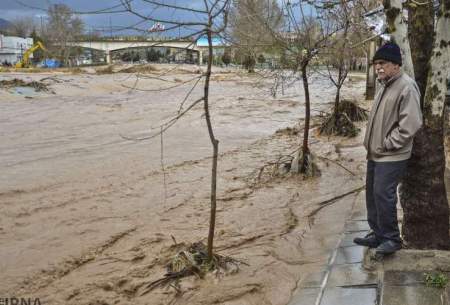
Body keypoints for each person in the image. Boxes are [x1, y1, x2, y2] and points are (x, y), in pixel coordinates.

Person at [353, 42, 423, 254]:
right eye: (376, 64)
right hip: (376, 153)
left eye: (382, 63)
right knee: (373, 195)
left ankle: (392, 239)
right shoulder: (384, 85)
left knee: (384, 194)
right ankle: (378, 234)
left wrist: (387, 144)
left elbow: (411, 124)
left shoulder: (406, 86)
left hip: (392, 154)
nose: (378, 68)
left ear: (395, 64)